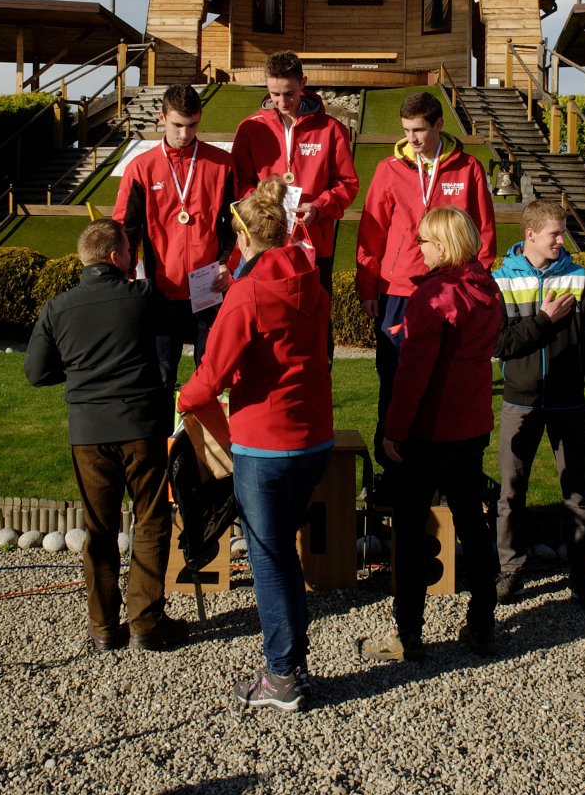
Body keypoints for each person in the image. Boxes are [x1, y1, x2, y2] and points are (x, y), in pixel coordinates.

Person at [177, 178, 333, 711]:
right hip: (312, 436)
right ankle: (292, 663)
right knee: (281, 550)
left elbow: (210, 377)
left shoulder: (247, 293)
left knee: (268, 558)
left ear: (243, 238)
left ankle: (282, 673)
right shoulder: (312, 283)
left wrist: (186, 402)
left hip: (265, 443)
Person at [24, 219, 187, 653]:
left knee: (98, 527)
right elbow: (176, 330)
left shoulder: (58, 307)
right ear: (117, 256)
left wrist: (79, 370)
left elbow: (36, 372)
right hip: (140, 426)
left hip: (88, 430)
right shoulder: (142, 296)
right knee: (150, 519)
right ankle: (145, 621)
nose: (133, 257)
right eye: (129, 250)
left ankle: (102, 625)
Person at [361, 207, 504, 662]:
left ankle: (408, 633)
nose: (417, 247)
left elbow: (413, 373)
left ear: (442, 246)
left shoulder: (434, 296)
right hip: (471, 424)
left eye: (423, 240)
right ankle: (482, 624)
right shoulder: (487, 288)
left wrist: (394, 430)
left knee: (410, 529)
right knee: (472, 524)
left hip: (430, 430)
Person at [355, 89, 497, 486]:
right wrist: (368, 287)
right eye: (406, 131)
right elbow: (371, 231)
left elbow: (484, 232)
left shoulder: (467, 168)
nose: (412, 139)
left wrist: (477, 281)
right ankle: (392, 471)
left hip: (452, 290)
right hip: (399, 290)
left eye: (418, 130)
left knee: (448, 378)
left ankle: (446, 471)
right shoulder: (389, 169)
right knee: (394, 378)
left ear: (438, 124)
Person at [492, 200, 585, 609]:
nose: (562, 240)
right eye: (555, 234)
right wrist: (542, 319)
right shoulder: (501, 279)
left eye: (562, 233)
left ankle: (581, 576)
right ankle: (510, 570)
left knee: (578, 494)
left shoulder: (577, 277)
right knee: (510, 492)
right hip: (519, 400)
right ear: (530, 235)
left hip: (568, 401)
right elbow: (500, 343)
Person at [112, 84, 234, 429]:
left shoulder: (221, 164)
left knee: (211, 378)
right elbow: (126, 229)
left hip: (209, 288)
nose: (185, 134)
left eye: (192, 125)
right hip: (162, 290)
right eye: (178, 125)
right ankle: (159, 448)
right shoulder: (141, 167)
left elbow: (236, 224)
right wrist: (124, 277)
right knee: (161, 376)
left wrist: (228, 264)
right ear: (162, 118)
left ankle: (206, 452)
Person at [230, 49, 358, 328]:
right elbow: (240, 183)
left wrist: (319, 207)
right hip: (266, 242)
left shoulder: (331, 129)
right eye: (274, 94)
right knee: (267, 322)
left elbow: (347, 184)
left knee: (315, 323)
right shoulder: (250, 128)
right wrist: (263, 207)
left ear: (303, 84)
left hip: (313, 244)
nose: (282, 101)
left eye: (289, 93)